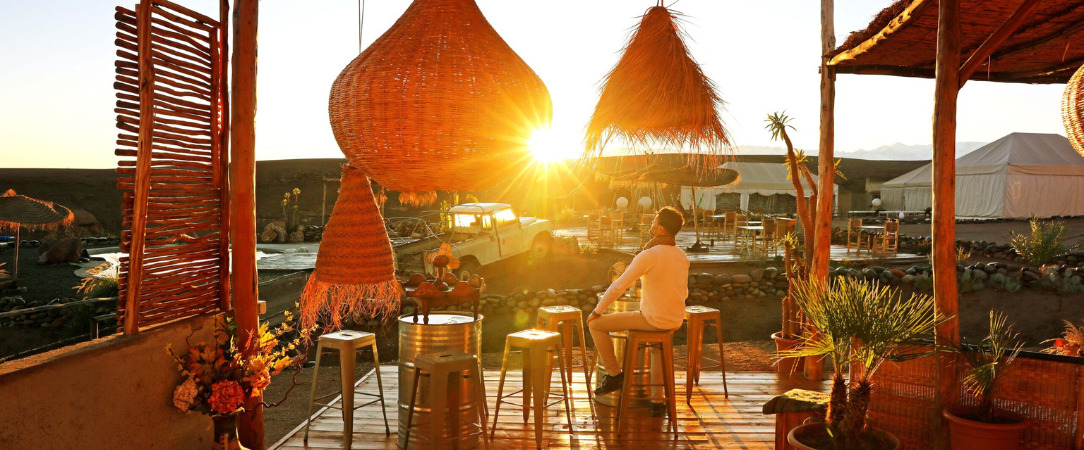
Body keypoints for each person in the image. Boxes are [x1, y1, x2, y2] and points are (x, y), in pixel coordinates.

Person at [587, 206, 689, 416]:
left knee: (595, 324)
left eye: (654, 222)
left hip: (653, 320)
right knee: (656, 348)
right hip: (675, 320)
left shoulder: (649, 255)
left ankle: (615, 375)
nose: (651, 224)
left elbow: (618, 286)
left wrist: (597, 310)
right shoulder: (681, 256)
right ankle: (657, 403)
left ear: (660, 229)